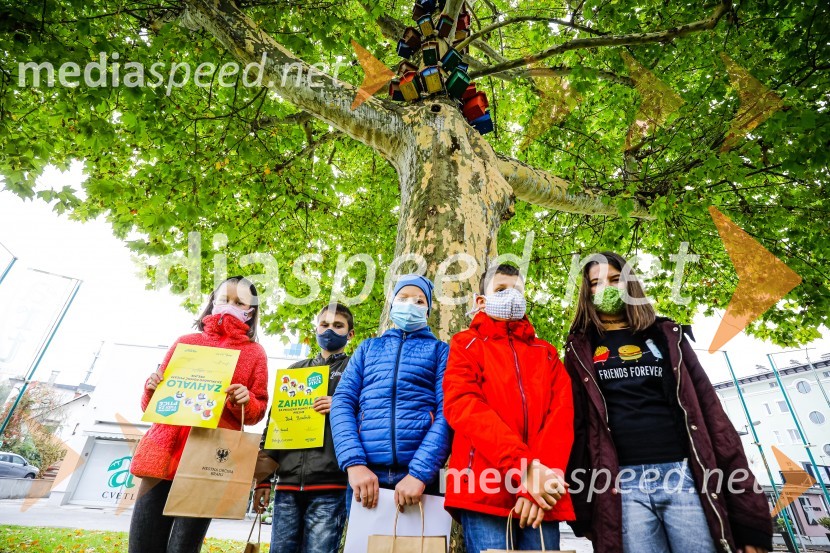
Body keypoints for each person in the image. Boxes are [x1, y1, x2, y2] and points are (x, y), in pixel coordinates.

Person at [563, 252, 772, 553]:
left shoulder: (667, 336)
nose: (607, 288)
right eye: (596, 283)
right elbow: (577, 429)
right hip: (621, 486)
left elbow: (713, 418)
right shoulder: (578, 350)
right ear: (587, 293)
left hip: (684, 476)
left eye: (615, 279)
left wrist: (750, 521)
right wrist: (582, 508)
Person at [129, 276, 270, 553]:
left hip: (207, 462)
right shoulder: (185, 342)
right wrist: (151, 387)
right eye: (224, 299)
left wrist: (244, 400)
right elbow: (150, 406)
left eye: (239, 301)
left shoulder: (254, 353)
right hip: (161, 456)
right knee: (142, 545)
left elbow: (257, 411)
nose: (230, 305)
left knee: (184, 547)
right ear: (212, 301)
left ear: (250, 311)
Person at [442, 263, 575, 553]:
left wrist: (540, 481)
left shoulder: (547, 353)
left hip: (543, 491)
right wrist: (524, 469)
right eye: (501, 290)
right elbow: (463, 405)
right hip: (484, 489)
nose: (510, 296)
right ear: (481, 300)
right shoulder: (465, 344)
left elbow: (561, 418)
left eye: (516, 290)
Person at [330, 274, 451, 511]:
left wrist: (420, 473)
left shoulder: (440, 351)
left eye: (419, 301)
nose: (410, 305)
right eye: (403, 298)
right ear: (392, 304)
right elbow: (343, 402)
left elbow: (447, 410)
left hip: (420, 479)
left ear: (428, 311)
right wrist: (354, 463)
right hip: (365, 475)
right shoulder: (368, 348)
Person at [251, 302, 355, 553]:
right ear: (316, 328)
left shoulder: (355, 369)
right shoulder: (295, 371)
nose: (330, 330)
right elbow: (274, 425)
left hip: (331, 487)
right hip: (286, 486)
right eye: (325, 324)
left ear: (350, 334)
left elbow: (370, 416)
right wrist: (263, 480)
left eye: (338, 325)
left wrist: (341, 405)